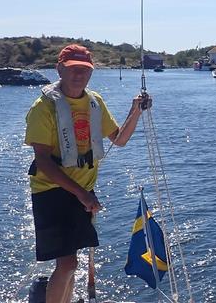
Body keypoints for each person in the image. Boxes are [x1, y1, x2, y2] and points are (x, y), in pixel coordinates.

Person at [25, 44, 151, 303]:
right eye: (73, 68)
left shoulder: (94, 102)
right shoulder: (43, 108)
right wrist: (82, 194)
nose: (79, 74)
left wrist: (136, 109)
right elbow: (43, 162)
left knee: (72, 262)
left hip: (83, 192)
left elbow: (119, 139)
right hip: (51, 191)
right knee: (68, 263)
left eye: (84, 69)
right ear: (59, 69)